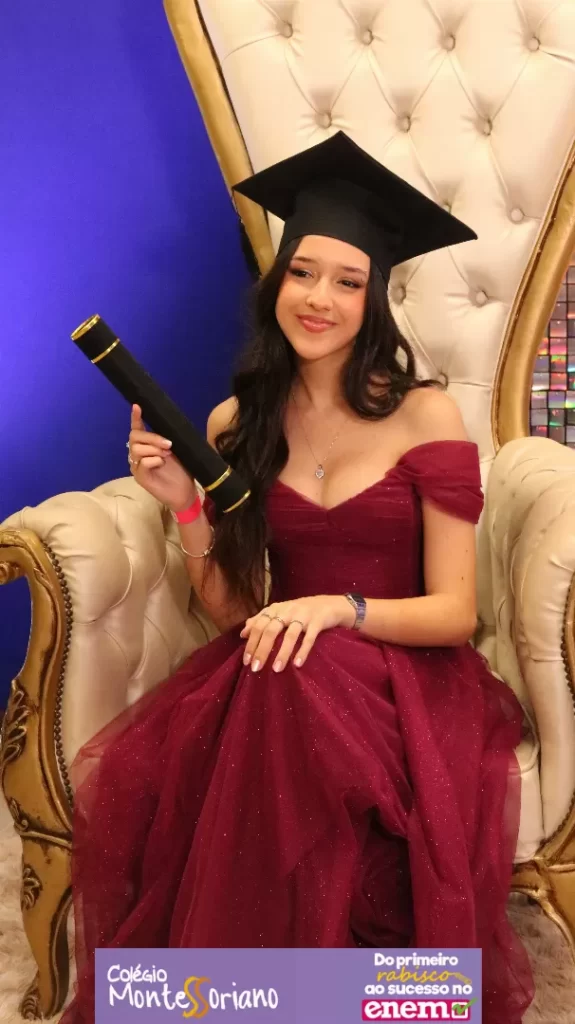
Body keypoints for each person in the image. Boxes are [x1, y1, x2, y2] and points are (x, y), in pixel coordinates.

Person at [62, 132, 534, 1023]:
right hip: (277, 667)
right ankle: (276, 1000)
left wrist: (339, 609)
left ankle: (250, 1001)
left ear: (374, 299)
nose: (319, 298)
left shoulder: (424, 415)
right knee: (276, 679)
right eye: (303, 273)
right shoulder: (235, 422)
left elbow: (453, 612)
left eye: (346, 282)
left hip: (403, 673)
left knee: (291, 678)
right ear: (275, 283)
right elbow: (235, 613)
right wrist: (187, 509)